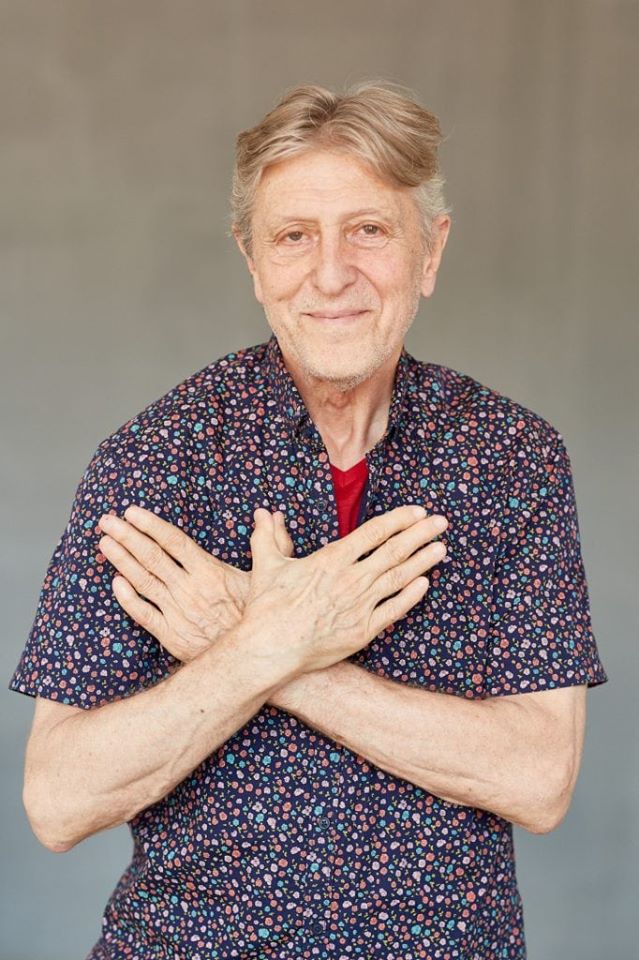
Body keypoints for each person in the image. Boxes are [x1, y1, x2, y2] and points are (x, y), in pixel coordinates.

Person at [9, 81, 608, 959]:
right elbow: (59, 801)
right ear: (252, 262)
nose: (331, 274)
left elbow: (538, 779)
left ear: (430, 251)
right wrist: (265, 646)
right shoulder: (155, 460)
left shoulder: (511, 458)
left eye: (368, 230)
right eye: (294, 236)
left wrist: (270, 650)